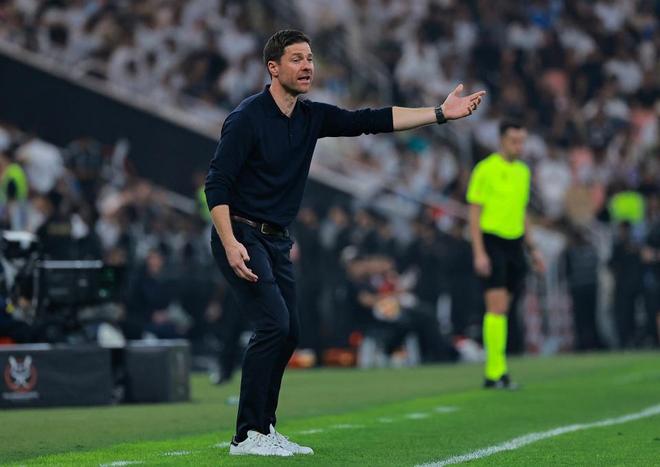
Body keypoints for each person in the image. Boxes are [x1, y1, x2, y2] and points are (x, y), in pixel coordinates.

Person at [205, 29, 485, 457]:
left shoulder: (311, 117)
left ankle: (265, 428)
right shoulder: (247, 118)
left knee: (289, 332)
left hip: (276, 240)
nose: (307, 66)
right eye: (296, 59)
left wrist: (439, 114)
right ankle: (246, 435)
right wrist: (229, 242)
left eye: (310, 58)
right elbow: (216, 185)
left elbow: (370, 120)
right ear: (273, 68)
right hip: (241, 233)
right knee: (273, 325)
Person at [466, 121, 545, 389]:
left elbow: (522, 213)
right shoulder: (485, 169)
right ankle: (496, 371)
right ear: (501, 140)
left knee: (503, 310)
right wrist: (479, 252)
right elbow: (474, 214)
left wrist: (533, 249)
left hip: (515, 244)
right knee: (496, 307)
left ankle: (495, 371)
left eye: (522, 141)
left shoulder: (523, 171)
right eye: (514, 141)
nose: (518, 146)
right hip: (492, 241)